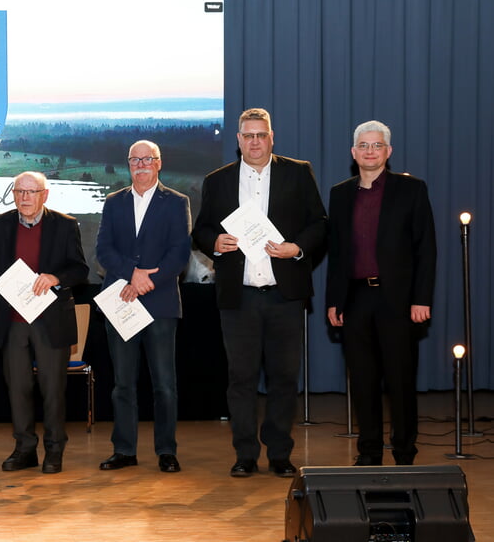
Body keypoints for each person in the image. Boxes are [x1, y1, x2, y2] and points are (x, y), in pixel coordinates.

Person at [193, 108, 327, 478]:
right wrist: (215, 243)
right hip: (239, 297)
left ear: (272, 138)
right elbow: (201, 229)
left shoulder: (298, 173)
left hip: (285, 294)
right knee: (241, 379)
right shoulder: (218, 180)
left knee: (284, 377)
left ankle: (280, 453)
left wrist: (296, 247)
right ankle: (245, 454)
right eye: (248, 135)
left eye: (261, 135)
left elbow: (320, 223)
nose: (254, 141)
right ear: (237, 140)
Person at [326, 120, 436, 466]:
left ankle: (405, 452)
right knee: (362, 380)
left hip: (399, 301)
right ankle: (369, 451)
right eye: (363, 145)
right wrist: (334, 300)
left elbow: (426, 249)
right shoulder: (340, 194)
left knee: (401, 380)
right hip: (355, 299)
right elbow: (337, 253)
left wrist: (422, 299)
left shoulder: (412, 190)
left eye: (376, 146)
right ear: (353, 152)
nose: (369, 151)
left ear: (387, 152)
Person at [0, 171, 88, 474]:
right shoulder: (0, 225)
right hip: (13, 319)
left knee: (52, 388)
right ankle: (24, 449)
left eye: (31, 192)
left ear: (44, 195)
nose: (24, 198)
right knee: (17, 387)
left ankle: (54, 449)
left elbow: (80, 269)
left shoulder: (65, 225)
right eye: (19, 191)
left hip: (50, 319)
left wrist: (55, 278)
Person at [96, 140, 191, 473]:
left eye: (148, 159)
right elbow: (104, 250)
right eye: (135, 160)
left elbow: (180, 253)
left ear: (159, 163)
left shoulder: (177, 202)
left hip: (161, 302)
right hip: (121, 300)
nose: (141, 165)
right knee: (123, 383)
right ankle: (124, 450)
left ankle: (166, 450)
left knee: (164, 384)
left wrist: (149, 280)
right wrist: (131, 275)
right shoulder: (114, 202)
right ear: (128, 164)